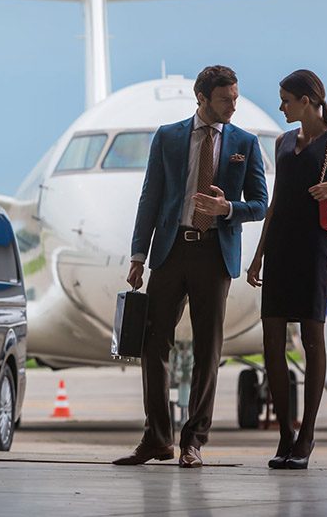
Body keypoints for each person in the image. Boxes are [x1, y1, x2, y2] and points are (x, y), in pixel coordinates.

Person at [114, 65, 268, 467]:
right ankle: (157, 439)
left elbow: (261, 204)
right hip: (171, 250)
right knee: (152, 344)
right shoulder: (167, 137)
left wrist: (227, 208)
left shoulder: (245, 143)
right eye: (225, 99)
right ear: (201, 98)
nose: (233, 105)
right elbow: (150, 198)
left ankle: (194, 441)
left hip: (214, 254)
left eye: (235, 97)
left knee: (207, 349)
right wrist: (137, 256)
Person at [246, 69, 327, 470]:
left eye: (285, 99)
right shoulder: (283, 141)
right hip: (280, 247)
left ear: (307, 100)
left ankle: (307, 436)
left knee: (312, 340)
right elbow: (277, 203)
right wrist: (258, 255)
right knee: (271, 346)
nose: (280, 106)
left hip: (314, 247)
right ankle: (285, 433)